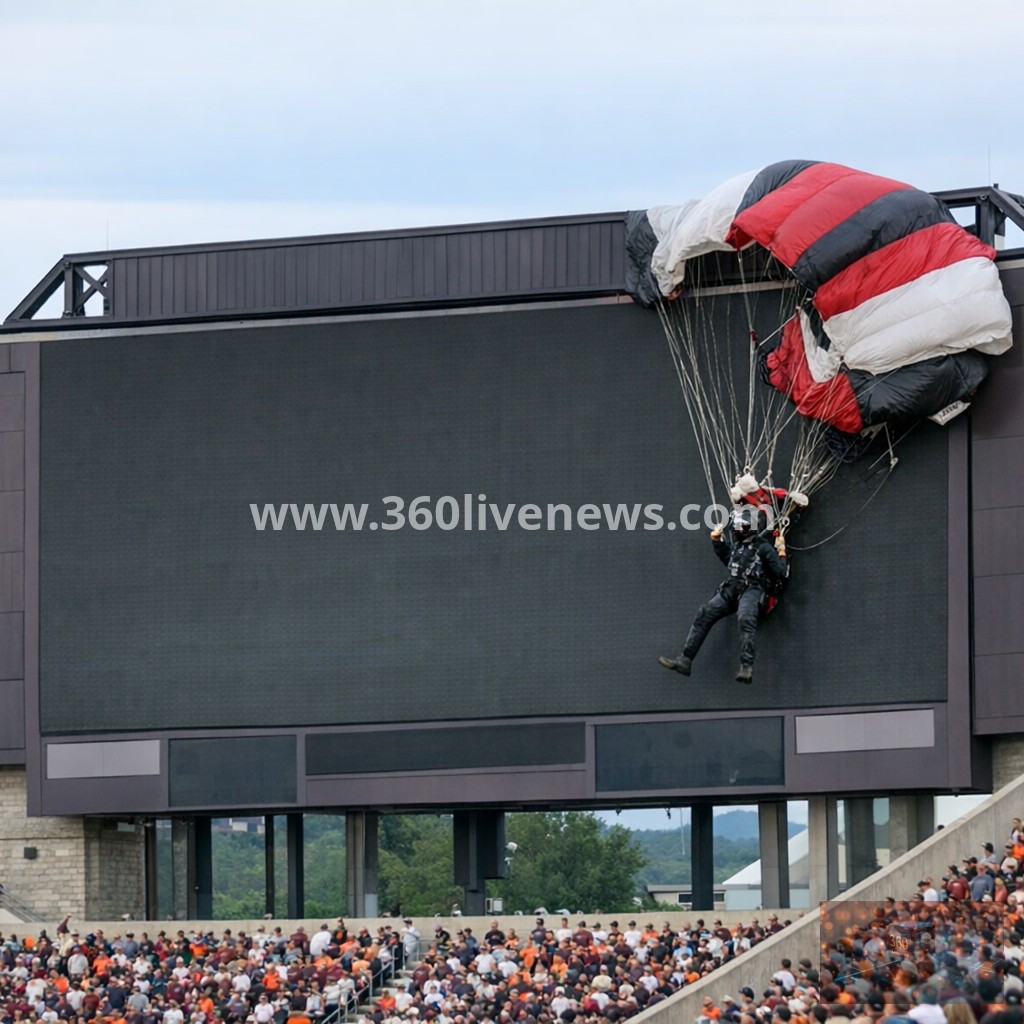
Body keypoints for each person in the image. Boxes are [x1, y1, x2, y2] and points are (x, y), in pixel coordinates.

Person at [660, 506, 789, 683]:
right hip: (732, 588)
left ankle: (746, 666)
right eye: (735, 527)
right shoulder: (737, 546)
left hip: (752, 589)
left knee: (745, 618)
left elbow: (780, 571)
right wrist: (717, 540)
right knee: (705, 613)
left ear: (749, 528)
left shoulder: (764, 547)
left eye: (739, 527)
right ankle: (685, 660)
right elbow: (729, 561)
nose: (735, 530)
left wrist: (781, 551)